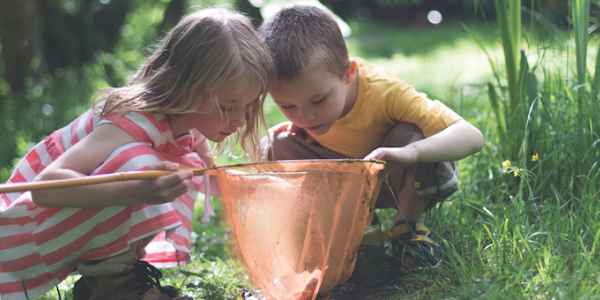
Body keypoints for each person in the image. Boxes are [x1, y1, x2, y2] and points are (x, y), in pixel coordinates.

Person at [0, 7, 275, 300]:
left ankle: (116, 282)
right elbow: (45, 188)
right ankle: (113, 288)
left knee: (180, 166)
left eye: (248, 106)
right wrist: (135, 191)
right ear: (187, 87)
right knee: (143, 163)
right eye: (227, 107)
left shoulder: (189, 124)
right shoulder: (133, 121)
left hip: (56, 232)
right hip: (20, 236)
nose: (240, 121)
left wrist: (268, 185)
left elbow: (214, 180)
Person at [259, 5, 483, 271]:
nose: (306, 117)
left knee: (413, 135)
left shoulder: (385, 92)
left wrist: (412, 152)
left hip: (395, 180)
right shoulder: (308, 108)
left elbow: (472, 136)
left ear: (348, 72)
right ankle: (346, 230)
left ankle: (407, 228)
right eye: (288, 106)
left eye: (318, 100)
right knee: (273, 145)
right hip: (346, 183)